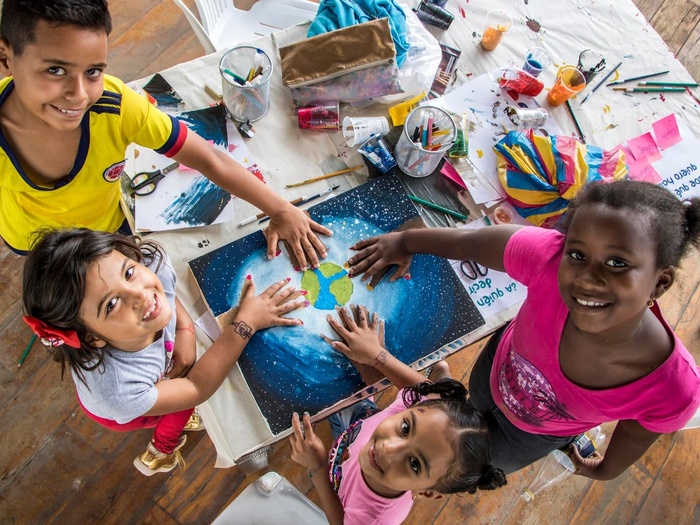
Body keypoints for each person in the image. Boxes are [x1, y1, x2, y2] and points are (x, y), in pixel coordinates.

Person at [344, 180, 700, 480]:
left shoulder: (673, 389)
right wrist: (405, 242)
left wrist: (605, 470)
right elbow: (470, 244)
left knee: (477, 464)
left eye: (617, 263)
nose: (588, 279)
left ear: (661, 282)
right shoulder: (549, 257)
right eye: (577, 255)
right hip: (491, 375)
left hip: (531, 436)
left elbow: (636, 437)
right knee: (465, 411)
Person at [0, 0, 330, 267]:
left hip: (110, 225)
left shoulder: (116, 108)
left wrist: (280, 209)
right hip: (35, 243)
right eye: (55, 70)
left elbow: (210, 158)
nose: (79, 94)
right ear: (6, 57)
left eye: (93, 71)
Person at [22, 228, 307, 476]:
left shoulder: (149, 262)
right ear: (92, 338)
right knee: (177, 410)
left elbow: (166, 291)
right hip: (131, 411)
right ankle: (161, 452)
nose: (141, 294)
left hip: (160, 373)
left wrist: (185, 329)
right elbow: (195, 388)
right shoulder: (115, 392)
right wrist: (246, 323)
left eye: (129, 272)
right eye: (111, 304)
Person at [289, 304, 506, 525]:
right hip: (358, 424)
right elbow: (427, 392)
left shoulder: (377, 518)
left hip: (338, 467)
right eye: (405, 429)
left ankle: (442, 376)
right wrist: (376, 355)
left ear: (428, 492)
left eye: (414, 464)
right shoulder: (424, 412)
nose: (388, 449)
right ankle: (443, 377)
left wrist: (316, 467)